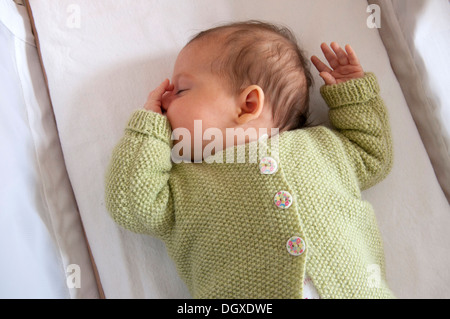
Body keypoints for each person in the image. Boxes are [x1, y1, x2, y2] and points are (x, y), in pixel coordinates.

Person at [105, 21, 394, 298]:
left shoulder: (321, 146)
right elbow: (132, 204)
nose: (165, 99)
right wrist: (149, 129)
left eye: (180, 90)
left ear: (248, 105)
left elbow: (371, 154)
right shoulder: (183, 183)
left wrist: (352, 96)